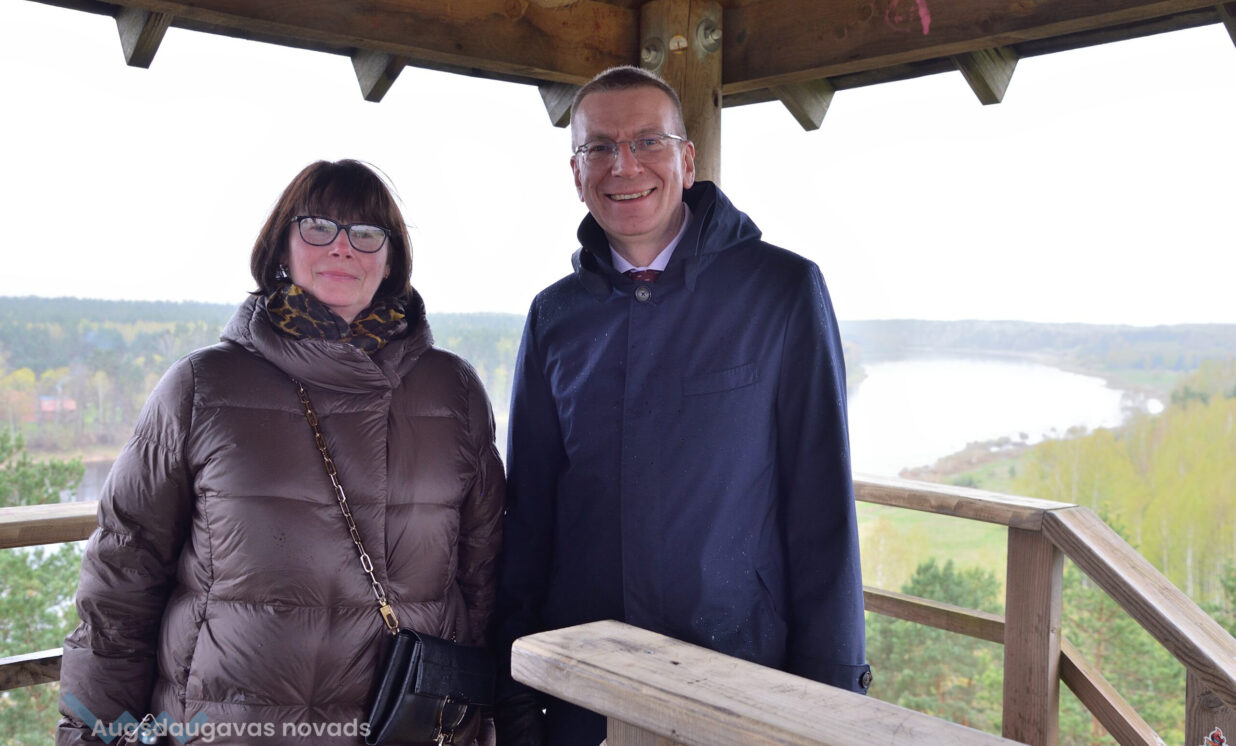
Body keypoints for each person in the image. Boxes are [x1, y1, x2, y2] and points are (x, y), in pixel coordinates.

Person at [57, 159, 504, 745]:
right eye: (318, 227)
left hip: (407, 728)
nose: (342, 247)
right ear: (281, 247)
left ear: (392, 260)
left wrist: (486, 721)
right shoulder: (203, 388)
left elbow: (483, 580)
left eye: (366, 233)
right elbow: (121, 585)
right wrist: (90, 733)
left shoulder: (453, 392)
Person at [493, 66, 871, 745]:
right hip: (582, 682)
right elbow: (531, 512)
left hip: (740, 676)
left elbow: (821, 505)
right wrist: (512, 681)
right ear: (576, 172)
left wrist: (832, 690)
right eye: (599, 147)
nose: (624, 165)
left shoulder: (781, 291)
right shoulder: (555, 316)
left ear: (687, 160)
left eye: (648, 141)